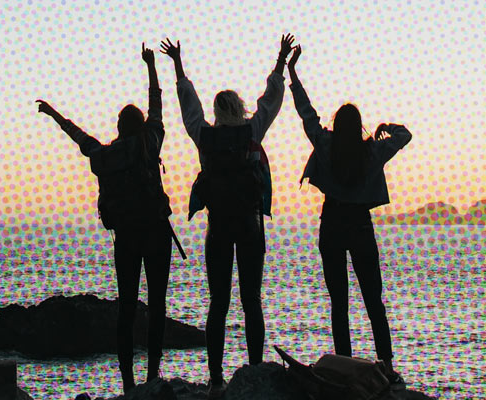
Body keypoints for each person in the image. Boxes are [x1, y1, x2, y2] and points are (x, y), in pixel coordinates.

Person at [159, 33, 294, 397]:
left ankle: (216, 379)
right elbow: (272, 99)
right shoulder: (253, 132)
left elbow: (188, 105)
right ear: (240, 108)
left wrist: (178, 65)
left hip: (217, 228)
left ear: (218, 112)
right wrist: (280, 59)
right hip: (250, 226)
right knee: (252, 299)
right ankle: (252, 371)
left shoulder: (204, 136)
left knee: (218, 302)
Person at [36, 44, 176, 394]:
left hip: (126, 237)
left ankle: (128, 383)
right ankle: (153, 376)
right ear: (141, 125)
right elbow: (157, 105)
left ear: (119, 127)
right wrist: (151, 67)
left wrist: (54, 115)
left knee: (126, 308)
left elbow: (80, 138)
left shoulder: (107, 156)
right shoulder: (151, 143)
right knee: (157, 305)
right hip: (157, 233)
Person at [287, 44, 411, 384]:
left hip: (332, 224)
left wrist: (293, 72)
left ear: (336, 124)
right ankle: (385, 364)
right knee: (374, 299)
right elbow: (405, 136)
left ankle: (342, 364)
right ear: (359, 126)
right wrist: (387, 125)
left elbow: (306, 113)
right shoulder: (373, 150)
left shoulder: (325, 144)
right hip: (359, 225)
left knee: (338, 301)